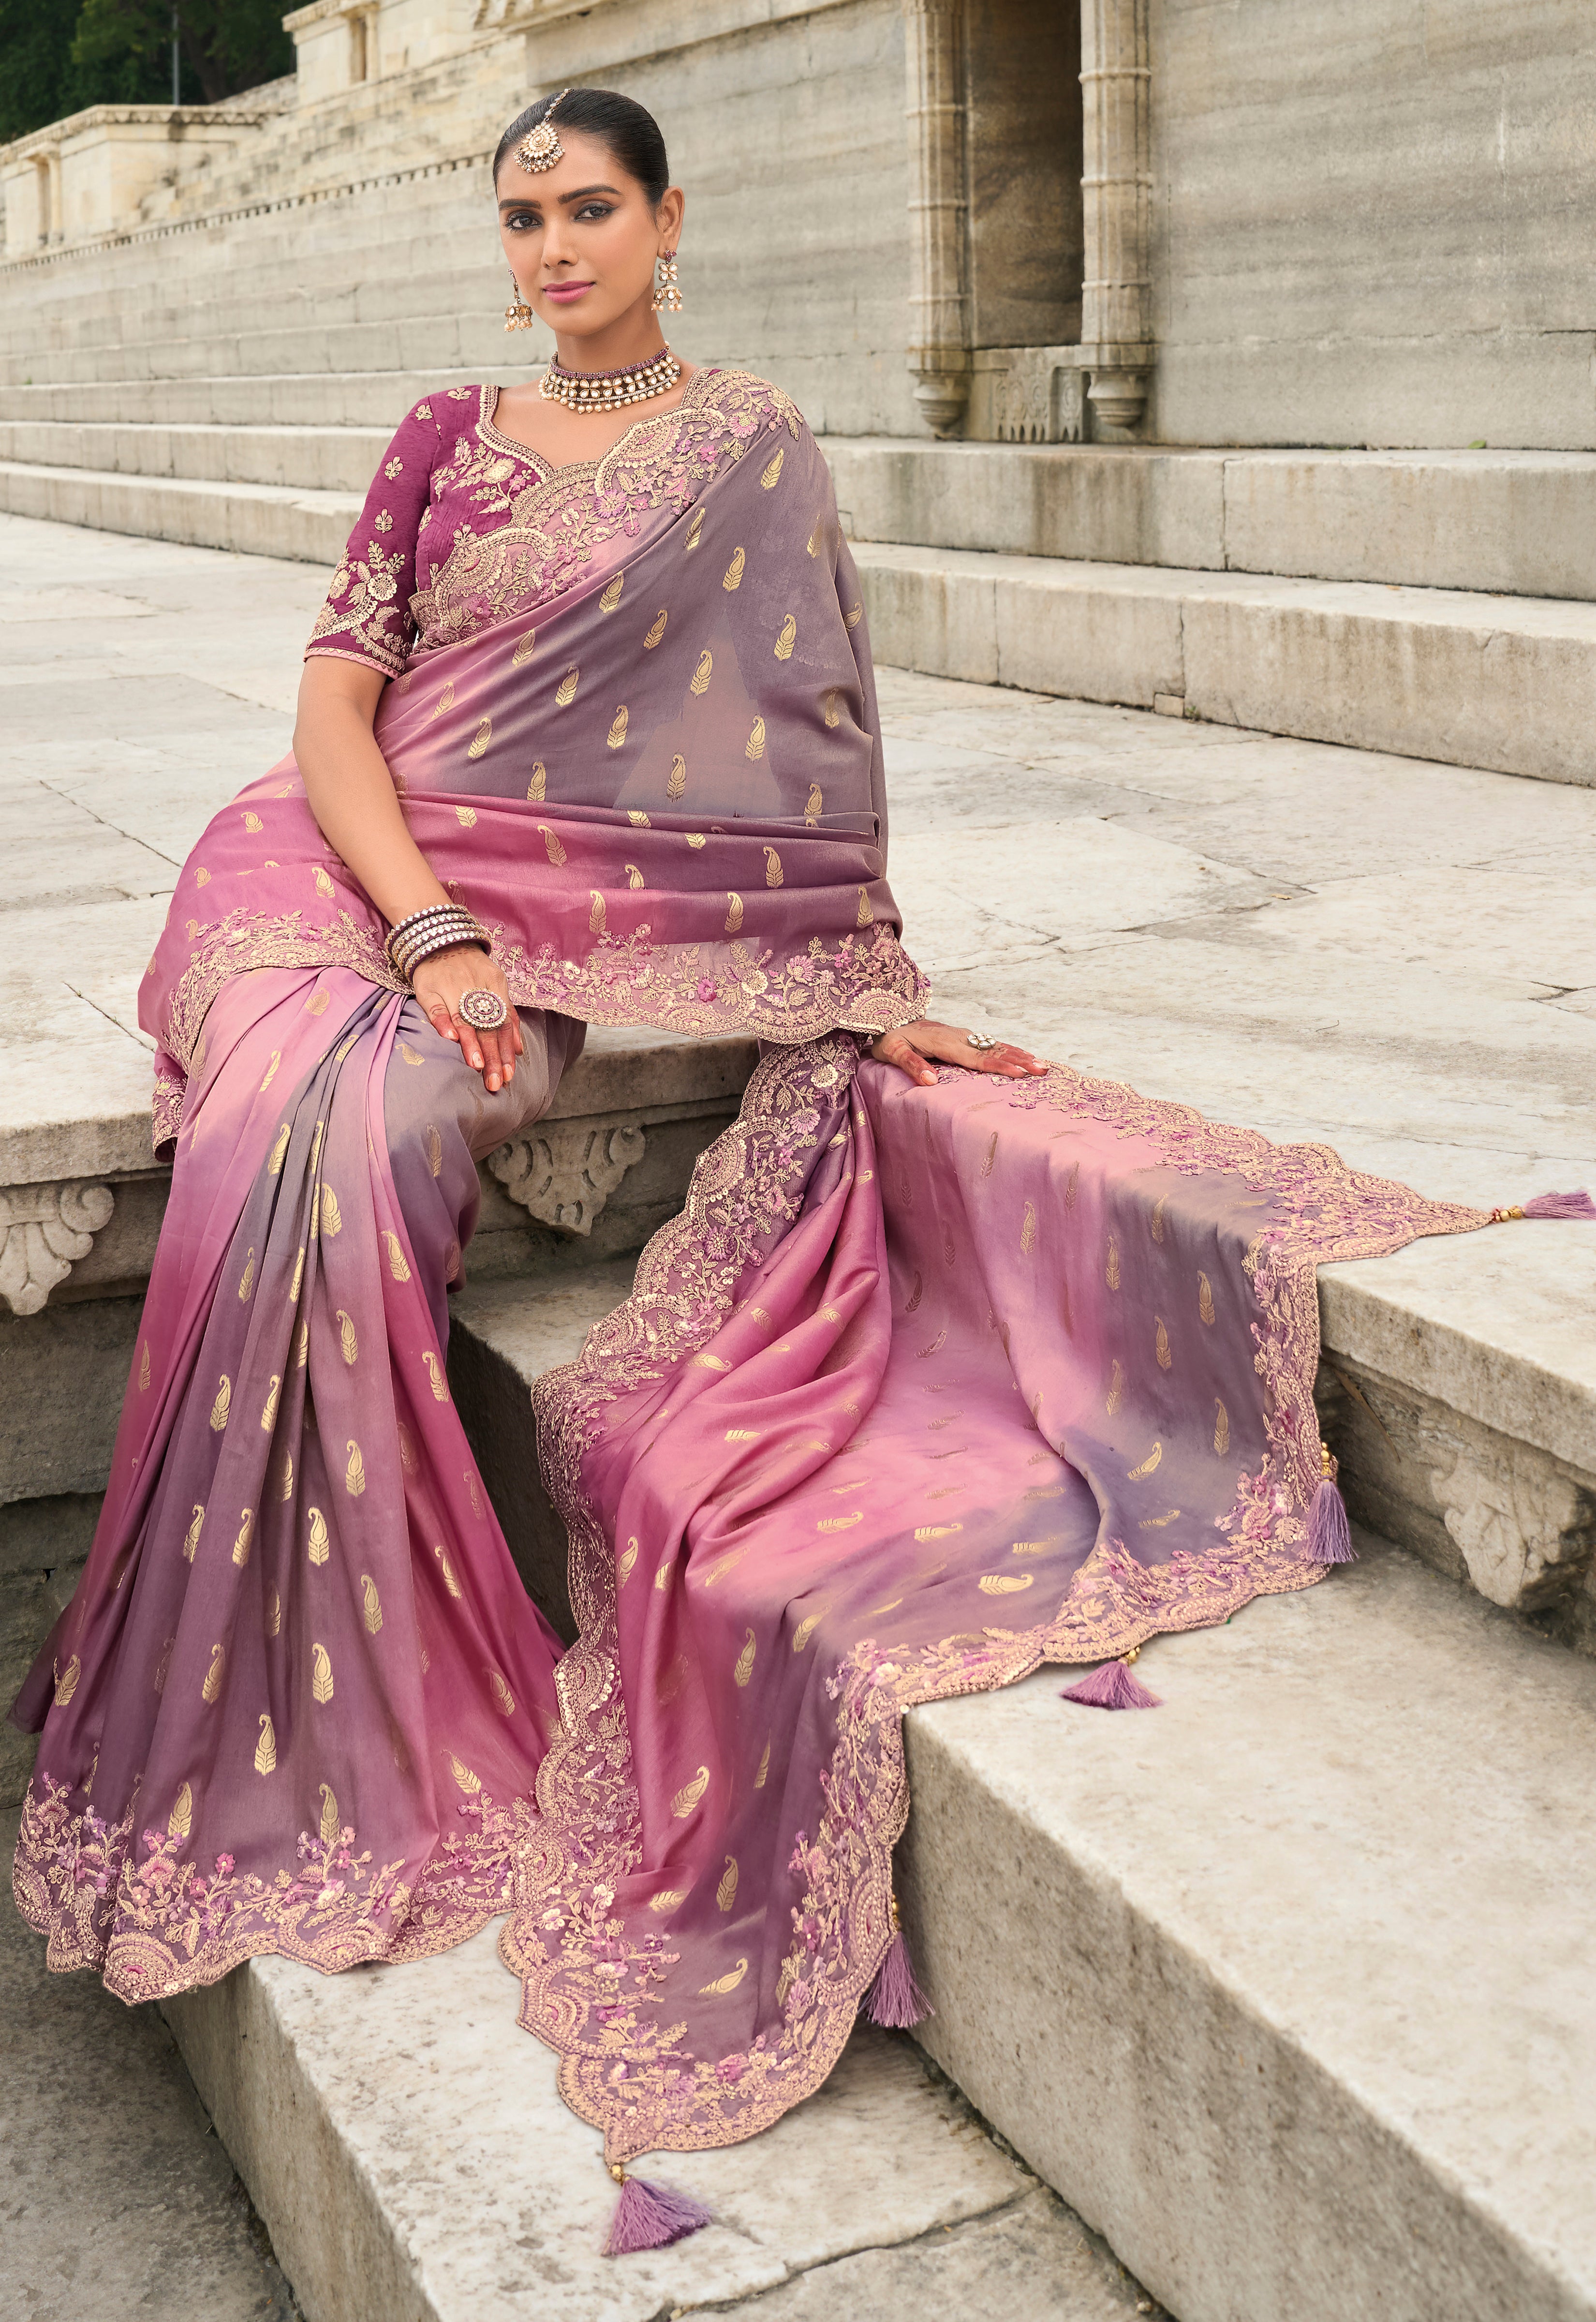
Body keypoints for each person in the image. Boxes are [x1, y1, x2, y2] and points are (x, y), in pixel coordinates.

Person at [9, 87, 1540, 2254]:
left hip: (548, 912)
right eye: (522, 215)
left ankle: (339, 1678)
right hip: (330, 873)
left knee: (382, 1128)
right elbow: (336, 709)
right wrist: (427, 926)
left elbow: (804, 744)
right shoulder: (443, 429)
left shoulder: (750, 449)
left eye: (588, 209)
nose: (552, 248)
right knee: (292, 1109)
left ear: (669, 219)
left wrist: (848, 973)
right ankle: (247, 1688)